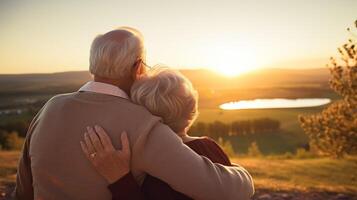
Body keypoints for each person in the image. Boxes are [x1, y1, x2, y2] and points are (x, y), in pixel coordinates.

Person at [14, 27, 254, 200]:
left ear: (92, 66)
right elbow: (220, 190)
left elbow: (24, 191)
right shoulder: (142, 124)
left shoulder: (50, 108)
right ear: (138, 67)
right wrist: (243, 174)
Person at [80, 68, 244, 200]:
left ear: (139, 114)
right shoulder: (209, 147)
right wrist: (240, 172)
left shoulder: (146, 164)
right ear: (192, 110)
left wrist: (120, 180)